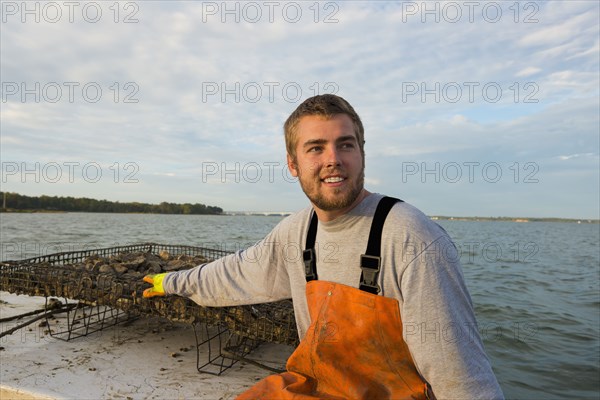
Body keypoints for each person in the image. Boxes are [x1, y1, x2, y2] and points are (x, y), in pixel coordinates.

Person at [143, 94, 505, 399]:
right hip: (317, 387)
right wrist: (171, 283)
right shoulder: (296, 232)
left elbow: (459, 375)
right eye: (315, 148)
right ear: (292, 164)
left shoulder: (412, 238)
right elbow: (235, 272)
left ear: (361, 153)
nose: (333, 159)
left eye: (345, 144)